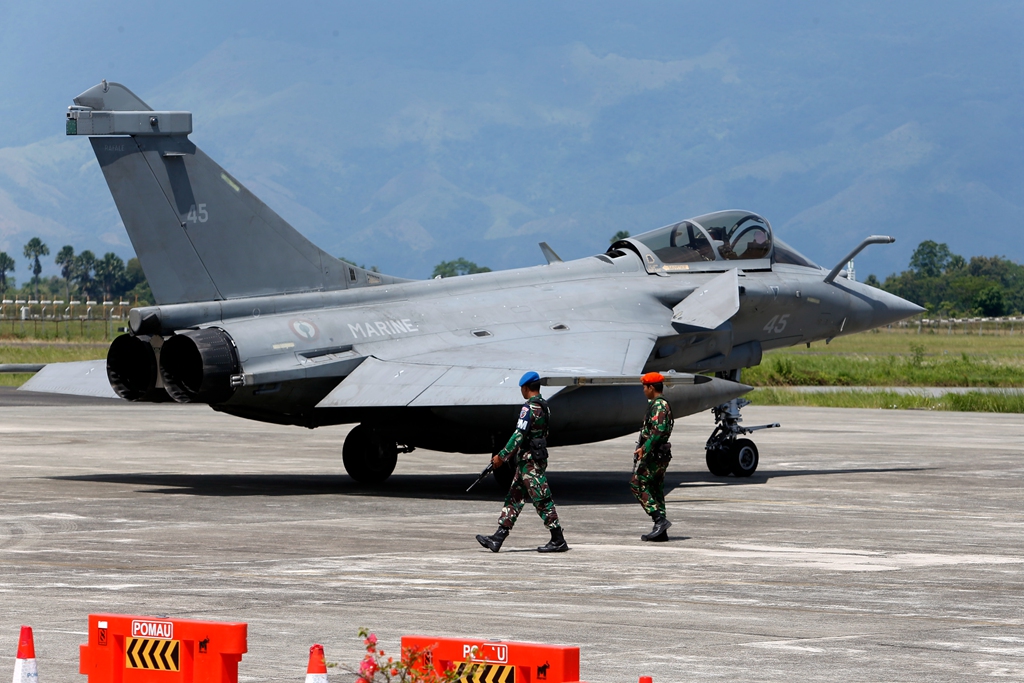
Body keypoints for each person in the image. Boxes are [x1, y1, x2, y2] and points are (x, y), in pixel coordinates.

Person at [476, 371, 568, 553]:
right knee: (514, 497)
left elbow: (518, 435)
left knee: (542, 498)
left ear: (525, 388)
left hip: (530, 461)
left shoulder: (529, 408)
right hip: (532, 458)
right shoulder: (544, 406)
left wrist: (501, 456)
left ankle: (558, 539)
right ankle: (498, 537)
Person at [631, 372, 674, 541]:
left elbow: (658, 431)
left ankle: (659, 520)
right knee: (656, 490)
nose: (643, 390)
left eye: (644, 387)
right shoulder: (657, 404)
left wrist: (644, 449)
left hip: (655, 454)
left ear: (651, 387)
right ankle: (661, 532)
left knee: (637, 483)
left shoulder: (659, 406)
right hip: (659, 453)